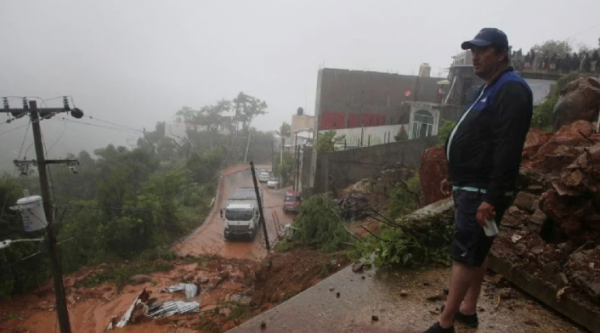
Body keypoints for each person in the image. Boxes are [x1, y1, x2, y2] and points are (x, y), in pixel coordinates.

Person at [423, 28, 533, 333]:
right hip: (471, 185)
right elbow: (477, 139)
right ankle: (468, 310)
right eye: (473, 51)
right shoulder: (489, 87)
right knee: (477, 251)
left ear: (501, 54)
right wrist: (454, 176)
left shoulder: (512, 90)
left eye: (483, 51)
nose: (475, 56)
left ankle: (445, 324)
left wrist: (492, 198)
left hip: (483, 190)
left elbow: (507, 149)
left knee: (464, 253)